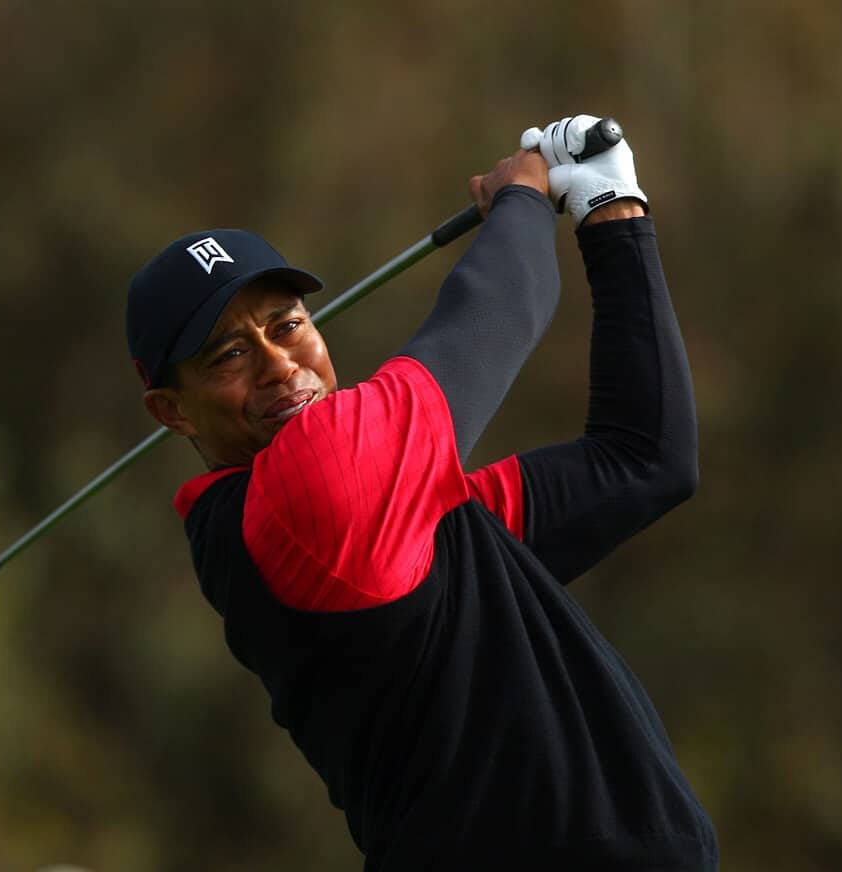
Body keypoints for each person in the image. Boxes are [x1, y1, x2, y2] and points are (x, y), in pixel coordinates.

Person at [126, 115, 719, 871]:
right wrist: (526, 195)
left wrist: (613, 209)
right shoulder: (312, 489)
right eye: (230, 354)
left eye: (289, 324)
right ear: (170, 410)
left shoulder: (392, 524)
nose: (280, 364)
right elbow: (499, 313)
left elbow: (643, 460)